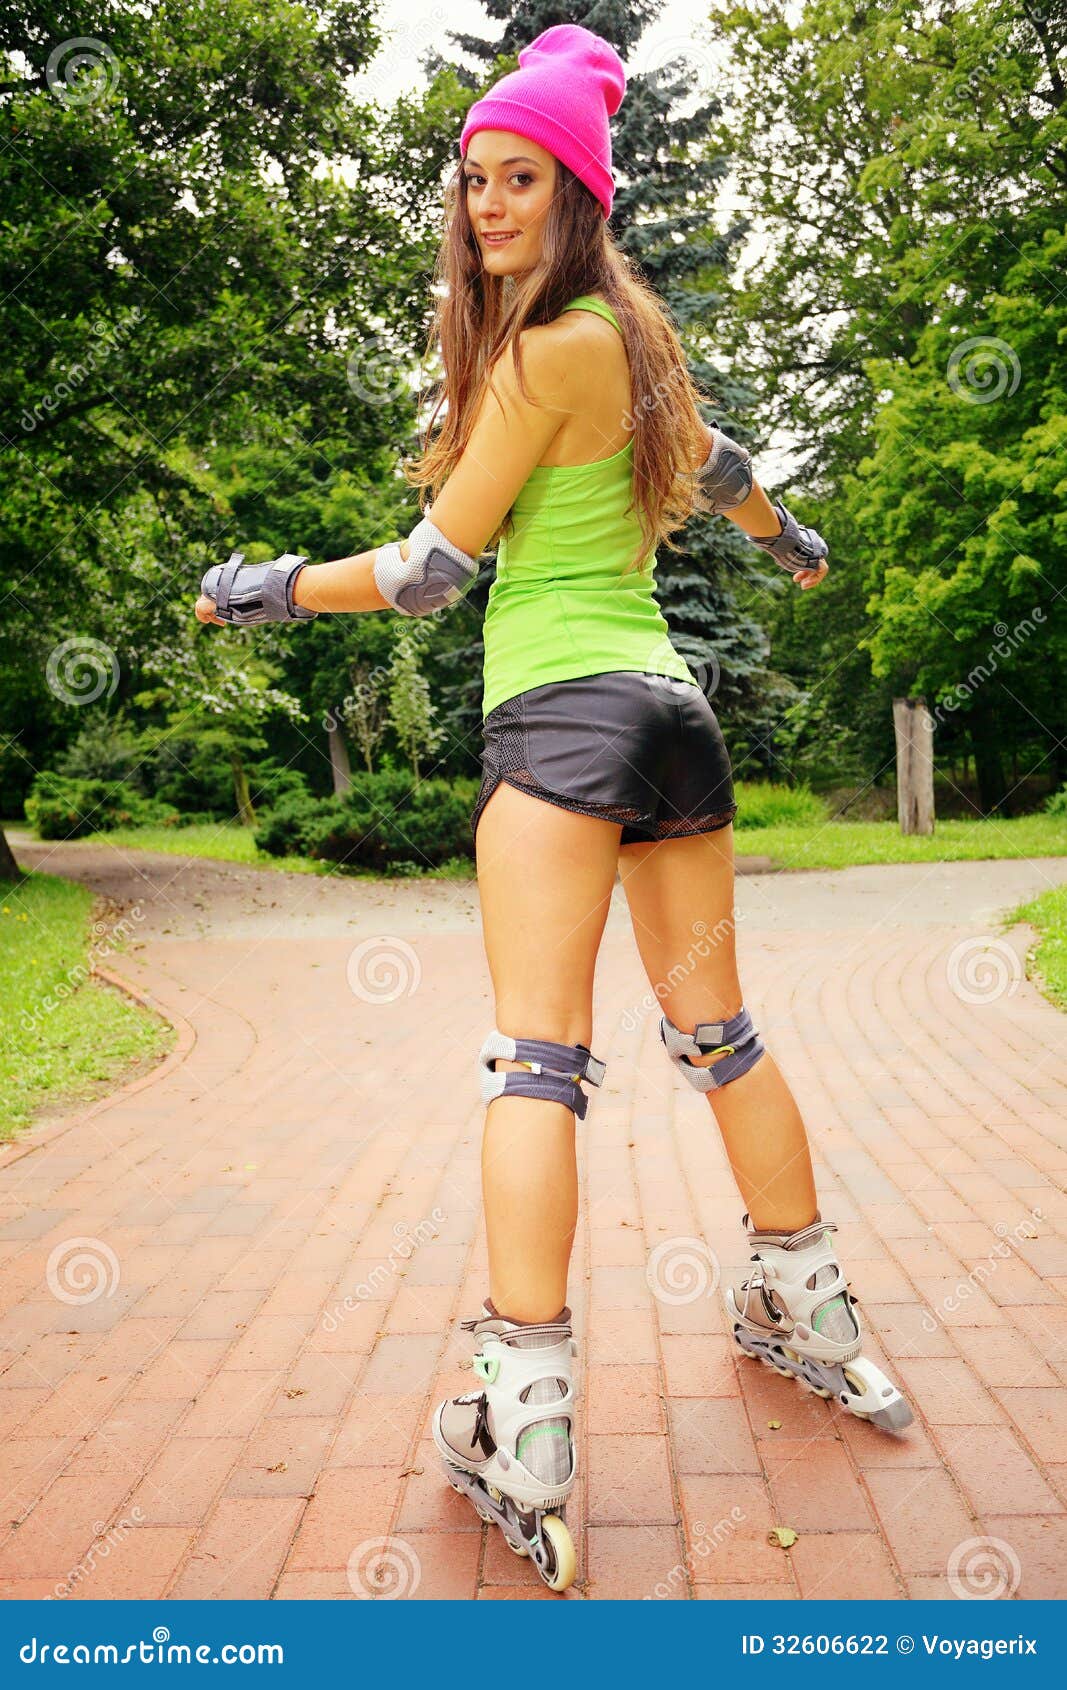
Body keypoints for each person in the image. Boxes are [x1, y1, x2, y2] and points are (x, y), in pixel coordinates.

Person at [196, 22, 911, 1593]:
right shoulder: (641, 351)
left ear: (578, 192)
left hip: (564, 720)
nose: (485, 208)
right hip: (674, 721)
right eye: (472, 182)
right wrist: (795, 547)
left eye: (520, 179)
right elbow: (726, 475)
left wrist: (257, 590)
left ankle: (521, 1417)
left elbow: (429, 572)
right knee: (722, 1037)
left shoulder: (539, 353)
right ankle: (821, 1317)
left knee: (539, 1060)